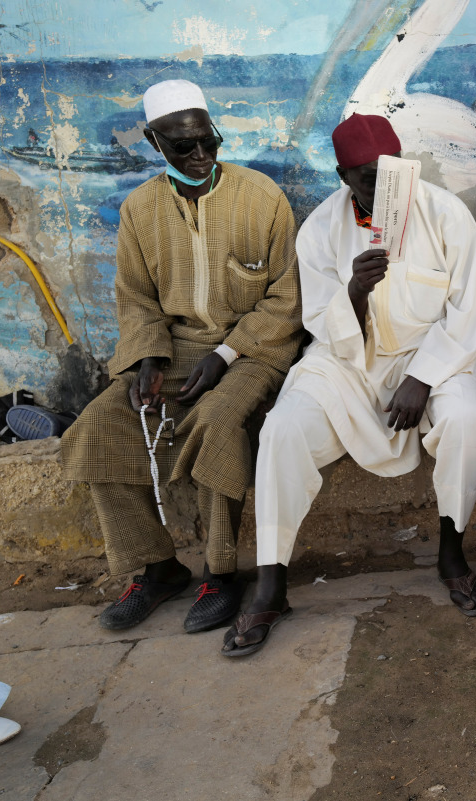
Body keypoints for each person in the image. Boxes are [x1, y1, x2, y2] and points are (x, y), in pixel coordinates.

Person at [222, 114, 476, 655]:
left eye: (390, 174)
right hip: (351, 357)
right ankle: (271, 584)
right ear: (342, 176)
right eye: (365, 178)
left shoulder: (446, 215)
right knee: (282, 429)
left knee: (465, 420)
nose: (381, 188)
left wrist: (421, 378)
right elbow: (321, 328)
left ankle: (452, 551)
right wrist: (353, 291)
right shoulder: (322, 227)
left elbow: (469, 316)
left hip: (438, 355)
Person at [60, 79, 303, 631]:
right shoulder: (140, 210)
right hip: (173, 351)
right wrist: (148, 357)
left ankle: (220, 574)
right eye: (182, 146)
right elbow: (136, 297)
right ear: (154, 142)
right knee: (100, 425)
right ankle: (158, 568)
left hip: (252, 350)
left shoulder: (261, 197)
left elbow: (287, 300)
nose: (199, 156)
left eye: (207, 141)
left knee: (217, 422)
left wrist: (225, 352)